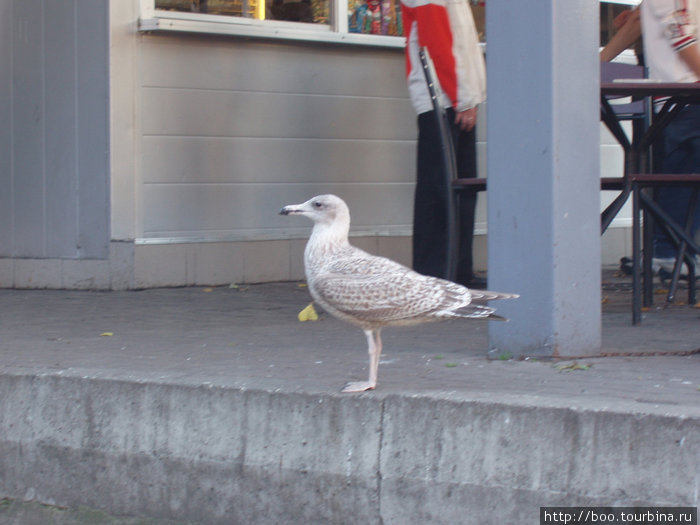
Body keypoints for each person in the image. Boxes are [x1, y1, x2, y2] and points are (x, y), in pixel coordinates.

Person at [400, 0, 486, 287]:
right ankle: (435, 273)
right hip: (443, 97)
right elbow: (436, 42)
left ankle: (456, 270)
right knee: (439, 190)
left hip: (455, 98)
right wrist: (463, 98)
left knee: (459, 190)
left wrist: (467, 97)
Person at [640, 0, 700, 272]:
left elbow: (632, 22)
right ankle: (666, 249)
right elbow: (681, 34)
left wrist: (598, 64)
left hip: (681, 98)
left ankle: (668, 248)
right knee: (684, 169)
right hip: (683, 96)